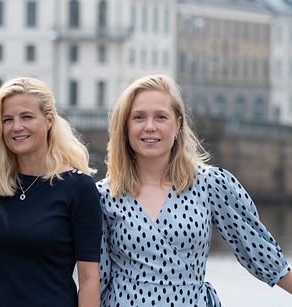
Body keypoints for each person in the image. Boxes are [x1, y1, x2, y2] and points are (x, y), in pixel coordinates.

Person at [98, 73, 292, 306]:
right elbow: (97, 278)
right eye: (138, 117)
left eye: (161, 117)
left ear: (178, 124)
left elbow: (261, 253)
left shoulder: (211, 184)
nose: (150, 127)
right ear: (126, 127)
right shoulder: (104, 196)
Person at [0, 77, 101, 307]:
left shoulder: (78, 187)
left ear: (49, 120)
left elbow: (88, 279)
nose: (16, 127)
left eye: (26, 117)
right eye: (8, 119)